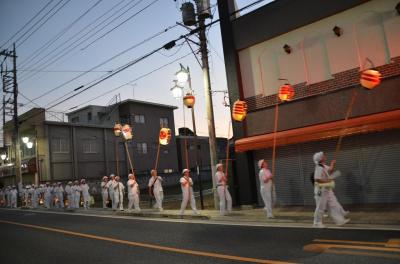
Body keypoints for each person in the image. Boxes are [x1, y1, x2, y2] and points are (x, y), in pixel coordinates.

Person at [313, 151, 350, 227]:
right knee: (321, 207)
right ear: (321, 158)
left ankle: (340, 220)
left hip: (327, 189)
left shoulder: (323, 166)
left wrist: (332, 163)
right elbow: (317, 179)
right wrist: (328, 180)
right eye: (323, 155)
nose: (324, 155)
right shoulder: (319, 167)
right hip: (321, 190)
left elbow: (330, 170)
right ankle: (317, 222)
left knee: (333, 204)